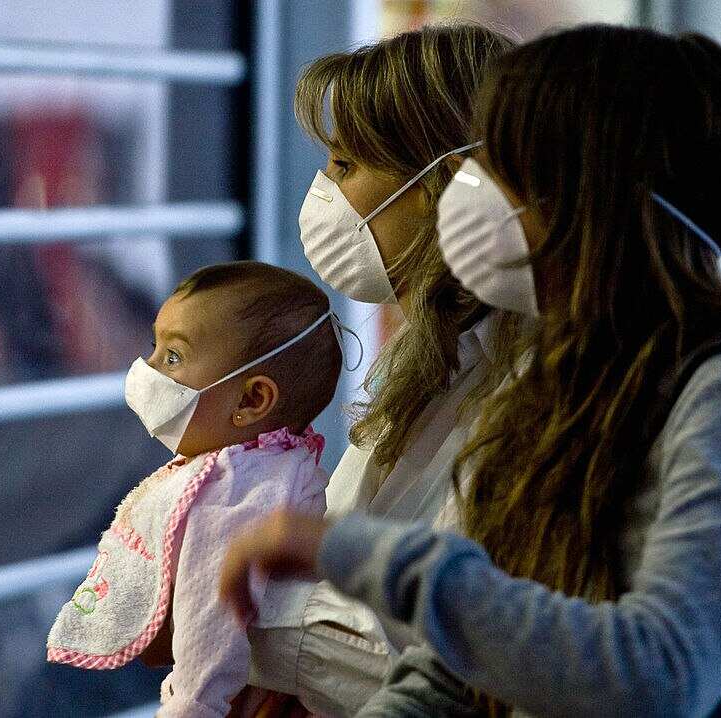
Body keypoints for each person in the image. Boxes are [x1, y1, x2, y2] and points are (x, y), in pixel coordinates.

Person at [220, 25, 721, 716]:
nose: (471, 195)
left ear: (587, 195)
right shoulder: (575, 384)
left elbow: (655, 674)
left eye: (504, 167)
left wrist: (363, 558)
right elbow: (458, 679)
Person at [242, 23, 516, 716]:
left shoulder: (522, 386)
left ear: (443, 183)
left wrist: (240, 620)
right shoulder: (432, 355)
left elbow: (464, 655)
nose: (325, 193)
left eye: (344, 165)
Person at [46, 261, 343, 716]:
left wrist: (190, 707)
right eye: (155, 347)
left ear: (250, 400)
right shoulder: (265, 464)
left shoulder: (235, 492)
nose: (147, 369)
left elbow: (213, 616)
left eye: (173, 357)